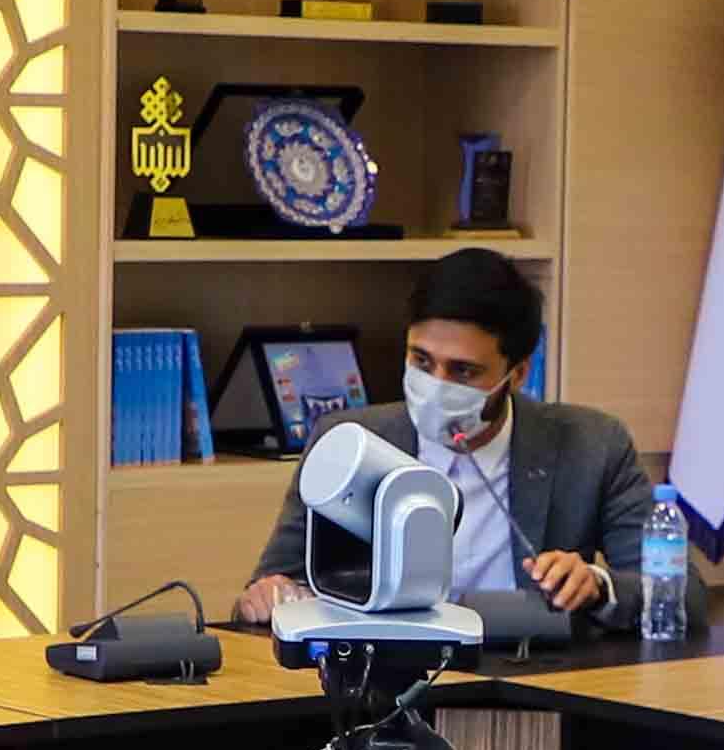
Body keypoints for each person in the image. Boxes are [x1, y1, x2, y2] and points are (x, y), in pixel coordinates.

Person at [235, 248, 655, 634]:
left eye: (463, 371)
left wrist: (597, 585)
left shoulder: (593, 445)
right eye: (421, 361)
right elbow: (272, 587)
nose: (435, 385)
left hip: (534, 673)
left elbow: (673, 590)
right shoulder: (347, 442)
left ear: (518, 374)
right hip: (385, 675)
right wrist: (269, 595)